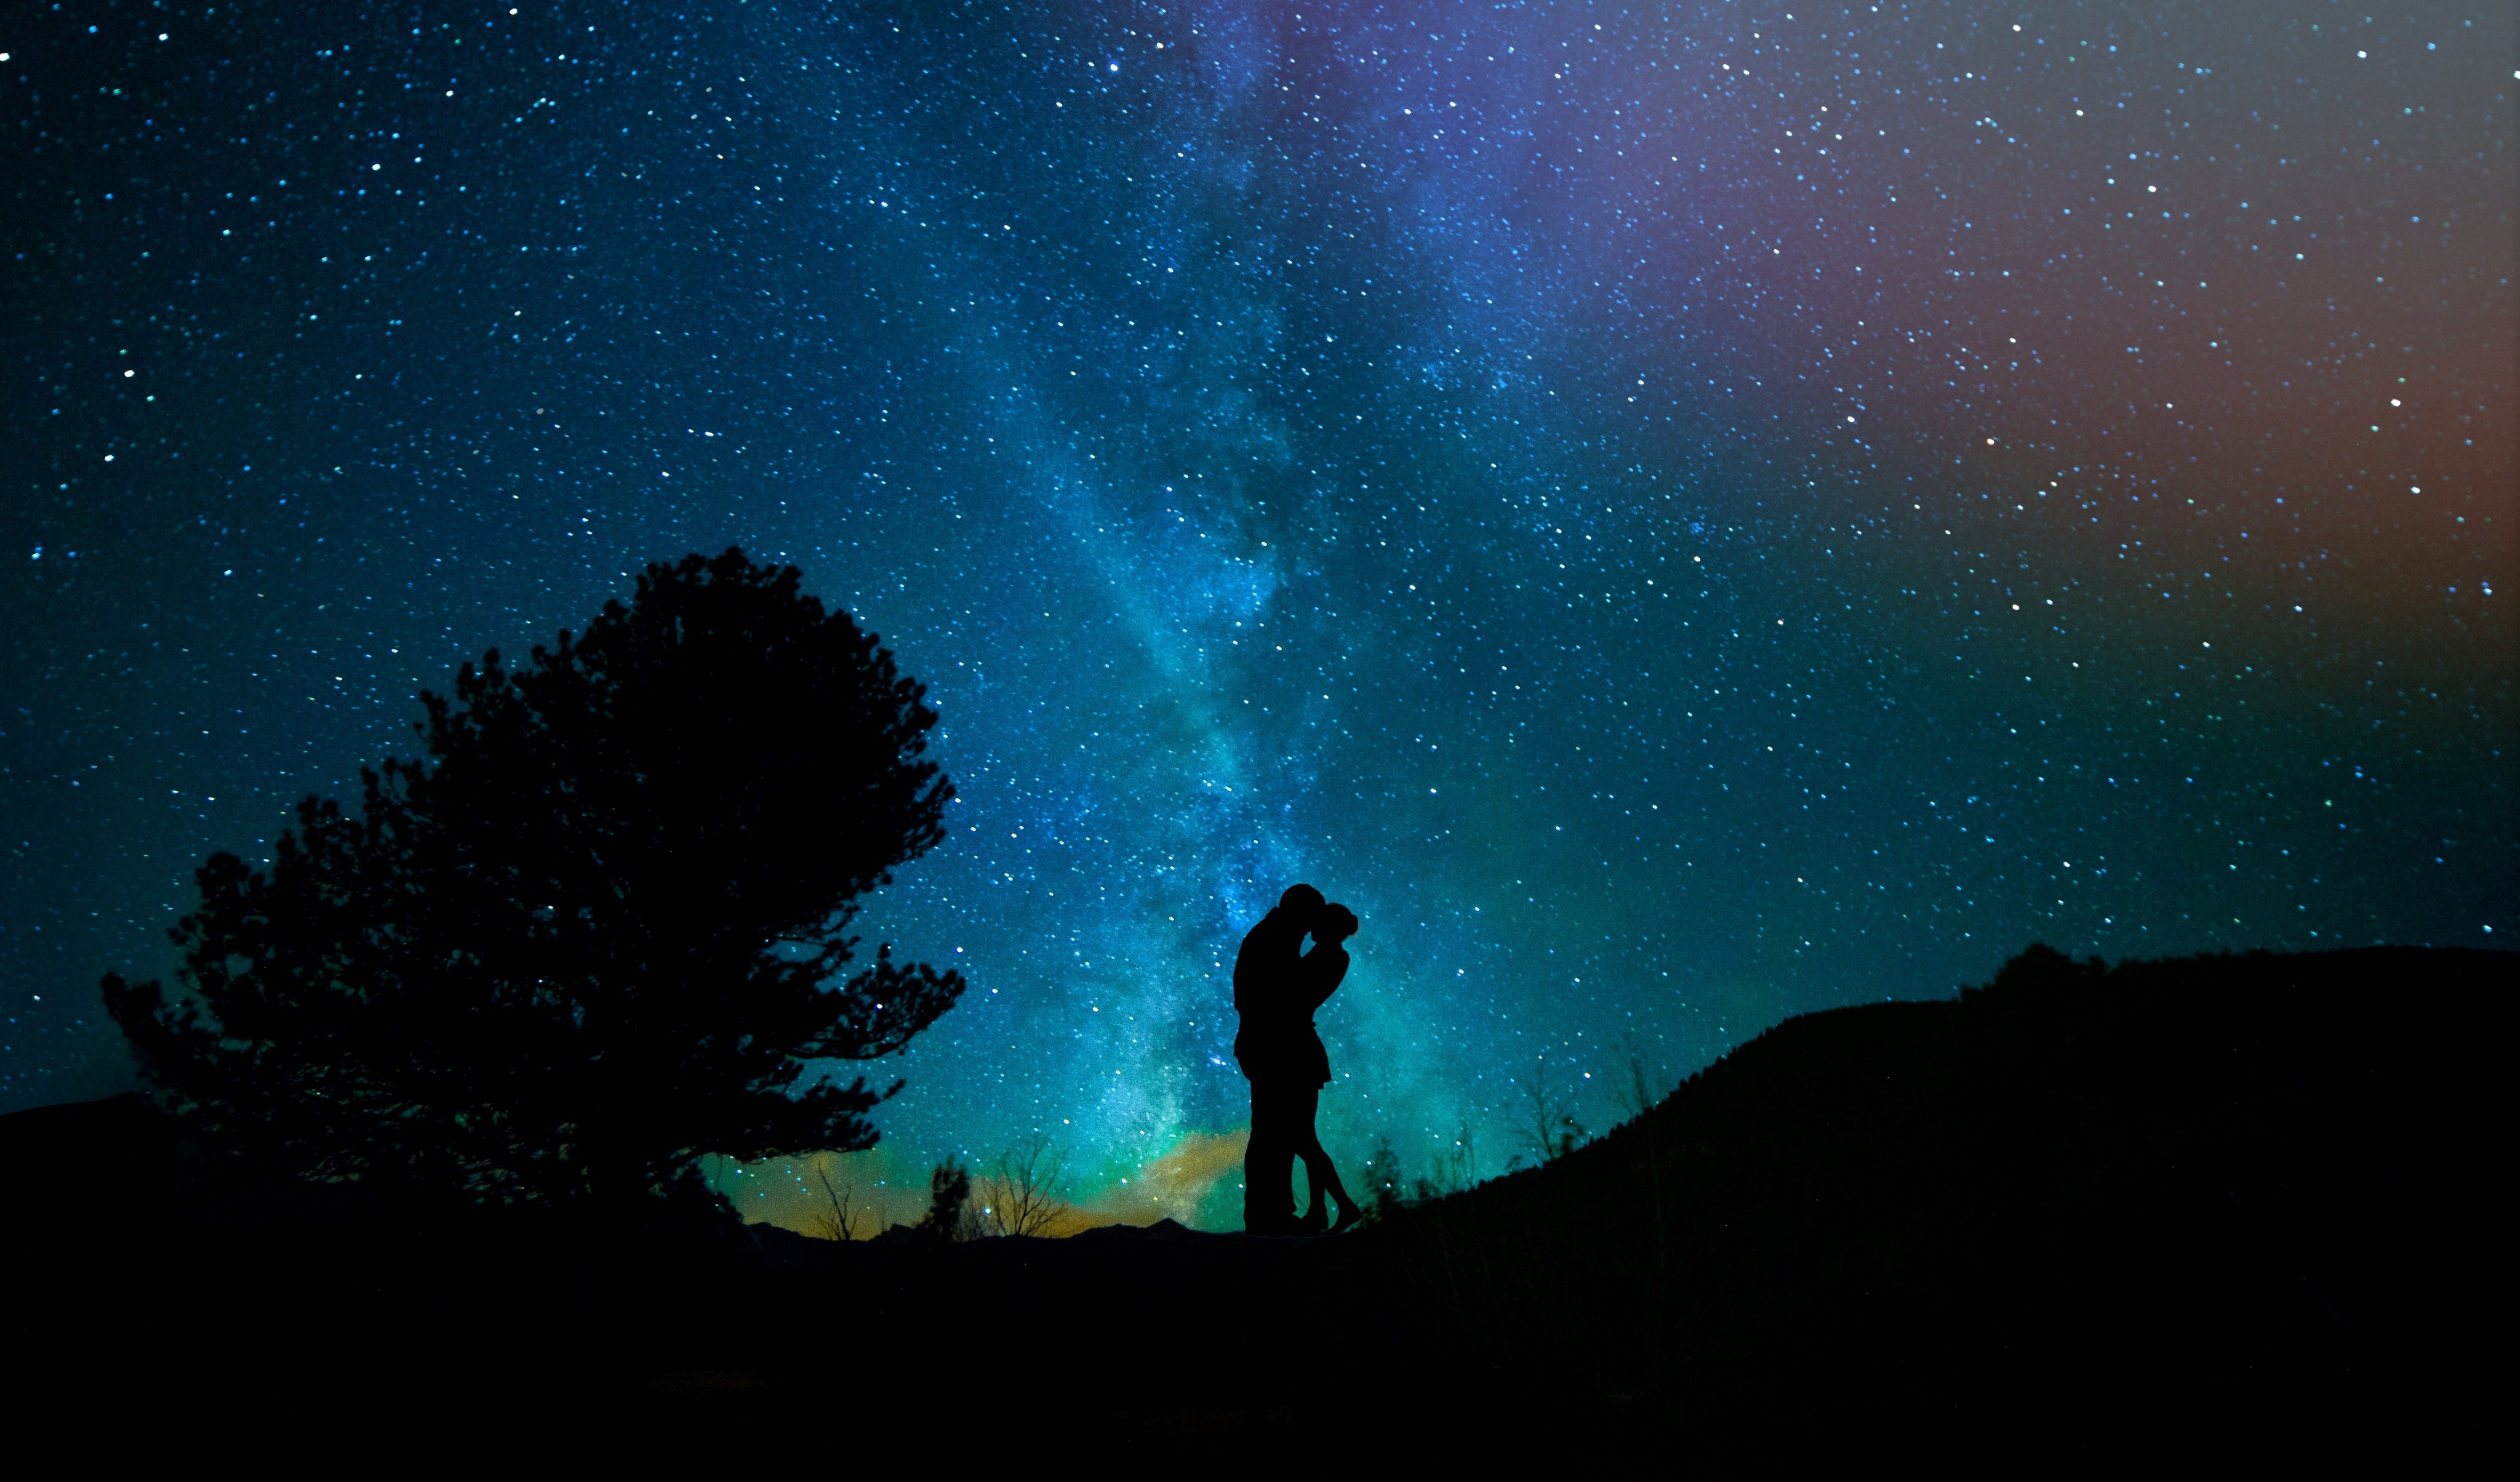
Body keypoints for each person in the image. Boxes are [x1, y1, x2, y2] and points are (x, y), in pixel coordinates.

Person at [1235, 884, 1322, 1235]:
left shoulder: (1275, 936)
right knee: (1274, 1132)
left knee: (1274, 1132)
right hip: (1270, 1047)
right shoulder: (1273, 939)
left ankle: (1270, 1214)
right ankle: (1268, 1217)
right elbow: (1266, 999)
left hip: (1267, 1045)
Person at [1288, 903, 1364, 1234]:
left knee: (1301, 1137)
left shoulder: (1331, 956)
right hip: (1302, 1047)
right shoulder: (1328, 954)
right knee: (1304, 1136)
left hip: (1299, 1049)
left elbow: (1297, 993)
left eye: (1318, 923)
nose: (1311, 926)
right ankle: (1321, 1211)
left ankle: (1343, 1207)